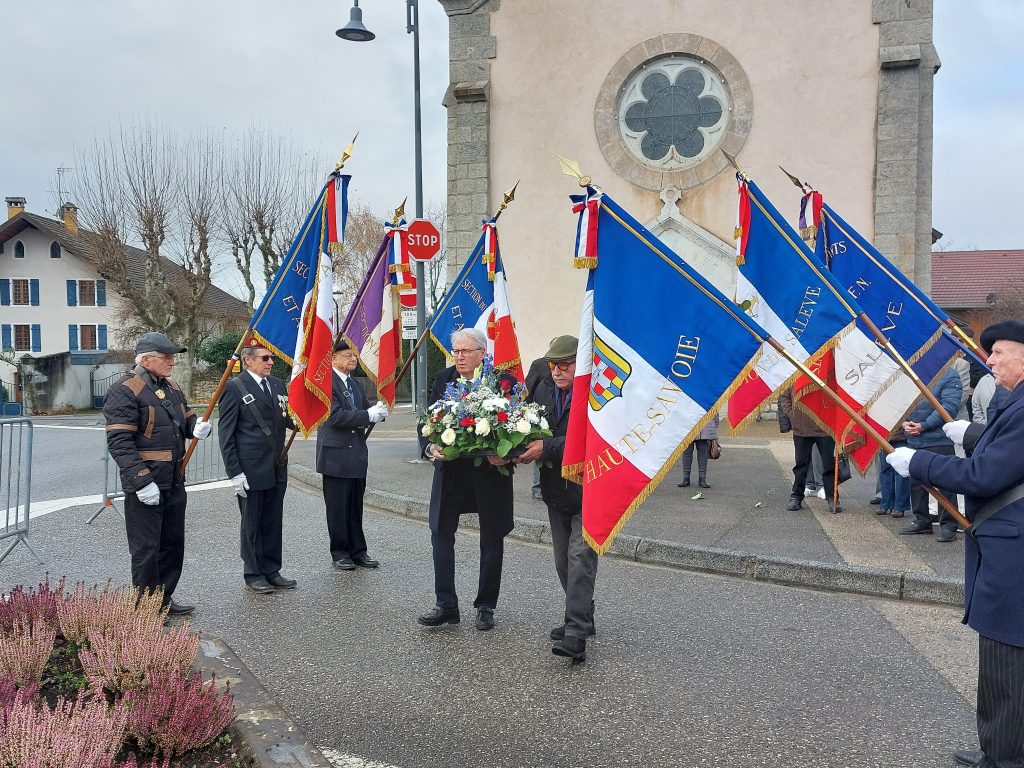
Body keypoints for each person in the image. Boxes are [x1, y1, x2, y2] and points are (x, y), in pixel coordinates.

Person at [887, 320, 1024, 768]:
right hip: (1009, 546)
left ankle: (1004, 758)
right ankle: (999, 750)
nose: (990, 360)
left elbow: (985, 474)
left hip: (1014, 553)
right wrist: (969, 434)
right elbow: (1007, 449)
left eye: (999, 352)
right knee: (1005, 660)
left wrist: (919, 462)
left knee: (1007, 660)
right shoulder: (1017, 402)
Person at [103, 331, 211, 616]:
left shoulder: (171, 387)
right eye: (166, 357)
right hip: (147, 482)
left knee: (172, 544)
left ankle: (164, 598)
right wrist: (142, 482)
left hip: (174, 478)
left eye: (172, 357)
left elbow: (185, 419)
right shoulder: (125, 389)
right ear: (146, 359)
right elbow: (120, 442)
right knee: (146, 549)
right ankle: (146, 608)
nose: (172, 362)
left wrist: (197, 427)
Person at [417, 328, 516, 631]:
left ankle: (486, 605)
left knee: (492, 537)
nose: (458, 357)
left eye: (465, 351)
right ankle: (445, 604)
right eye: (456, 351)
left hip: (490, 473)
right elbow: (426, 421)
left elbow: (518, 426)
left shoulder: (502, 382)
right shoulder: (443, 379)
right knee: (440, 532)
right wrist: (429, 447)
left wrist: (508, 455)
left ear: (481, 354)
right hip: (451, 472)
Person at [515, 335, 597, 662]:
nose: (557, 372)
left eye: (565, 365)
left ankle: (576, 632)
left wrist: (546, 448)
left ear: (581, 364)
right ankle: (583, 612)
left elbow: (590, 438)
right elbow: (527, 425)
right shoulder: (544, 386)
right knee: (563, 561)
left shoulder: (597, 393)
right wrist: (509, 450)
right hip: (555, 489)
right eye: (553, 365)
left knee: (580, 557)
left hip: (588, 489)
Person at [218, 339, 296, 594]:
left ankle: (272, 570)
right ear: (248, 360)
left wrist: (303, 417)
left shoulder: (277, 384)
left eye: (271, 358)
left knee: (273, 520)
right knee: (252, 523)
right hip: (250, 468)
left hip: (277, 464)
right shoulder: (234, 387)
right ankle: (254, 572)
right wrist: (234, 473)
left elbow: (285, 417)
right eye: (265, 358)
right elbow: (226, 434)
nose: (271, 362)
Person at [315, 339, 387, 570]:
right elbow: (334, 416)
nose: (353, 359)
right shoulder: (325, 383)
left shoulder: (354, 383)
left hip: (356, 454)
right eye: (347, 355)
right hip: (335, 456)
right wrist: (368, 415)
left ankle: (358, 551)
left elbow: (363, 408)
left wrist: (377, 411)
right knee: (338, 508)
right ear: (333, 358)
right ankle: (340, 552)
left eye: (354, 355)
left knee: (355, 507)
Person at [898, 366, 962, 542]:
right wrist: (904, 422)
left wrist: (924, 425)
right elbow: (900, 401)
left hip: (939, 439)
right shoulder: (911, 370)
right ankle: (922, 520)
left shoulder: (949, 373)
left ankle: (949, 525)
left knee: (945, 484)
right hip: (914, 439)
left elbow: (948, 408)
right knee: (916, 483)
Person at [777, 385, 840, 513]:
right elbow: (785, 397)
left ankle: (832, 498)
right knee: (800, 466)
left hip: (825, 428)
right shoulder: (794, 376)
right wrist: (793, 416)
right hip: (801, 430)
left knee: (829, 465)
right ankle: (796, 496)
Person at [677, 414, 719, 489]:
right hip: (688, 425)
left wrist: (714, 424)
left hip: (704, 426)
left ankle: (702, 479)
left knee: (702, 454)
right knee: (687, 453)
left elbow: (714, 410)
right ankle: (686, 478)